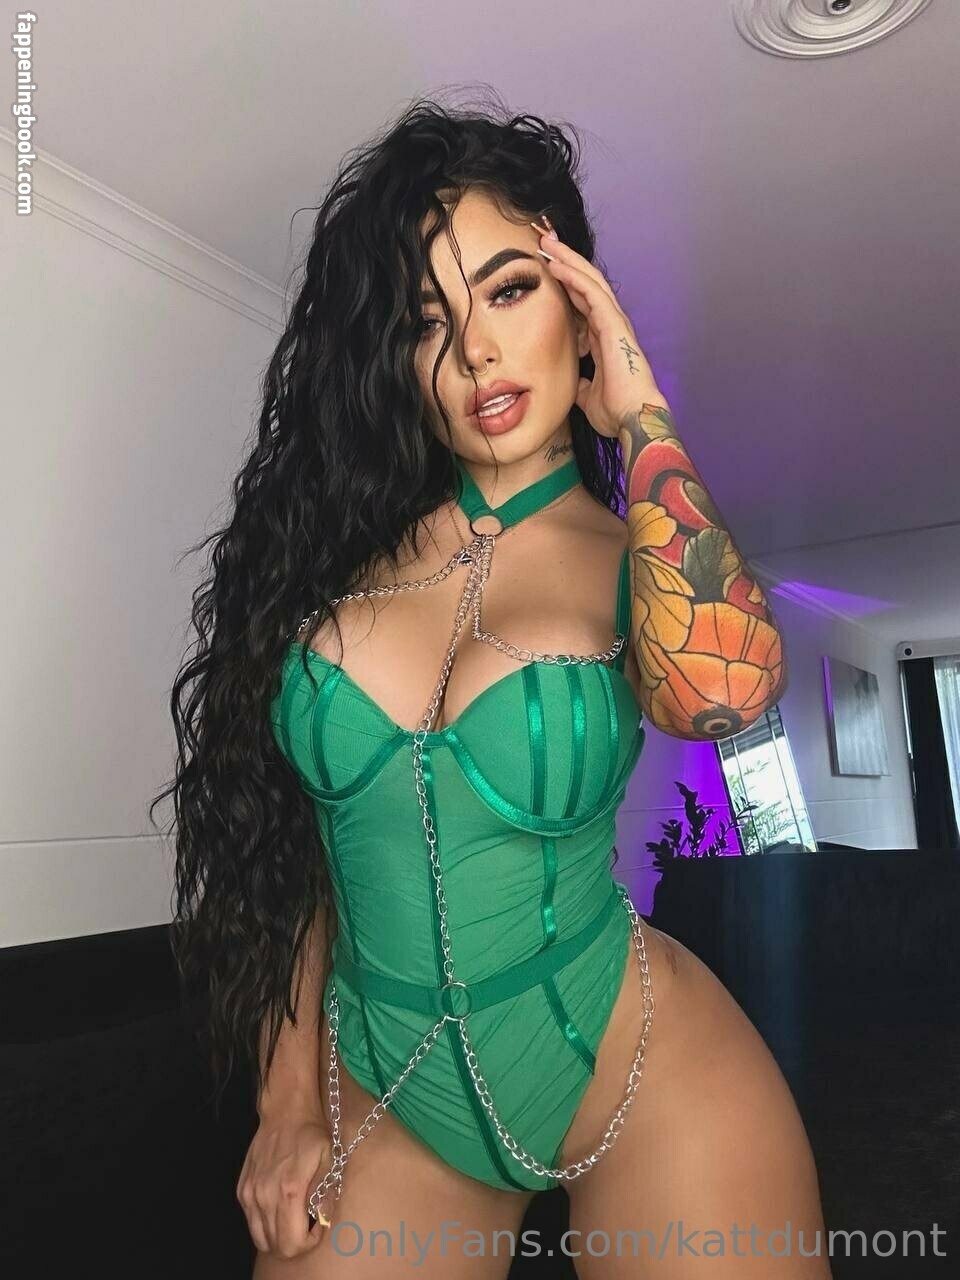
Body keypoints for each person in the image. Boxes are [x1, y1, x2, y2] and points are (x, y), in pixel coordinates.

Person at [153, 95, 831, 1278]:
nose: (475, 349)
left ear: (580, 304)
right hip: (386, 1085)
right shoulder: (329, 566)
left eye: (510, 290)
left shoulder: (638, 556)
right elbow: (291, 856)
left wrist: (642, 414)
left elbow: (724, 697)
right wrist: (286, 1094)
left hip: (638, 1067)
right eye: (429, 319)